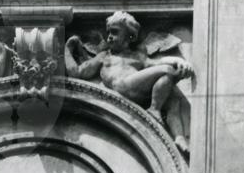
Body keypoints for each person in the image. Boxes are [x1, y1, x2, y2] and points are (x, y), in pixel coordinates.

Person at [65, 11, 194, 154]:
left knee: (171, 95)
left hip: (138, 90)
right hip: (122, 85)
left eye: (114, 32)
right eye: (108, 32)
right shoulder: (105, 56)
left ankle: (179, 137)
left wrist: (177, 60)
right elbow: (77, 72)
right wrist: (67, 50)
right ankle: (154, 110)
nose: (109, 37)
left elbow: (156, 63)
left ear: (130, 36)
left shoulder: (137, 56)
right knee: (168, 70)